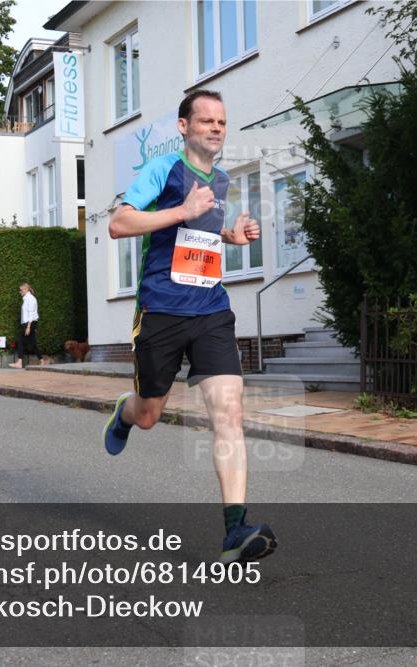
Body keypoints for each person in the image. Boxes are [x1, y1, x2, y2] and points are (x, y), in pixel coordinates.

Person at [102, 90, 276, 564]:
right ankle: (125, 412)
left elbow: (200, 232)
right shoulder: (162, 170)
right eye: (206, 121)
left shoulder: (220, 179)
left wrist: (231, 236)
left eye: (222, 121)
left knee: (229, 412)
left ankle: (235, 530)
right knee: (149, 416)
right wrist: (182, 210)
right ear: (184, 127)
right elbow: (119, 223)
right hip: (161, 310)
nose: (216, 128)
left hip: (211, 310)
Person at [9, 282, 40, 369]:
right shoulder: (26, 299)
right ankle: (42, 360)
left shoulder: (31, 299)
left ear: (26, 289)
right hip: (28, 323)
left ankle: (19, 363)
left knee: (21, 341)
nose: (19, 292)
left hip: (29, 323)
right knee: (33, 343)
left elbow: (31, 313)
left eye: (21, 290)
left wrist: (28, 327)